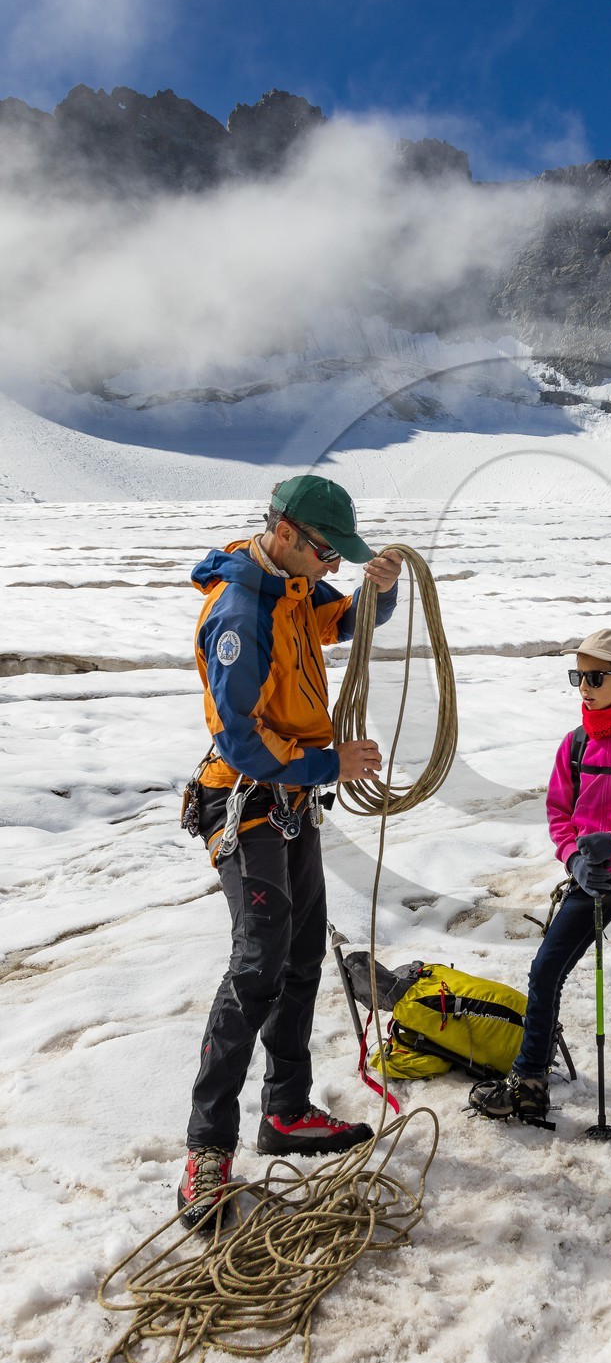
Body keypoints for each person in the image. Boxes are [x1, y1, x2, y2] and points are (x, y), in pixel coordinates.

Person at [177, 475, 403, 1229]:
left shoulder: (296, 590)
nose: (333, 568)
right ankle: (208, 1150)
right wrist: (326, 767)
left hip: (291, 802)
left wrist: (382, 590)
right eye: (329, 554)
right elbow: (238, 738)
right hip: (244, 802)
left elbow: (348, 624)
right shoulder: (241, 611)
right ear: (290, 536)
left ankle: (285, 1112)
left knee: (302, 952)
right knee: (258, 958)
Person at [470, 630, 611, 1149]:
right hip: (591, 876)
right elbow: (558, 814)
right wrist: (573, 856)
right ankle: (529, 1079)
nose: (583, 687)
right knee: (546, 969)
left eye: (594, 677)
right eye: (578, 676)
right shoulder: (576, 742)